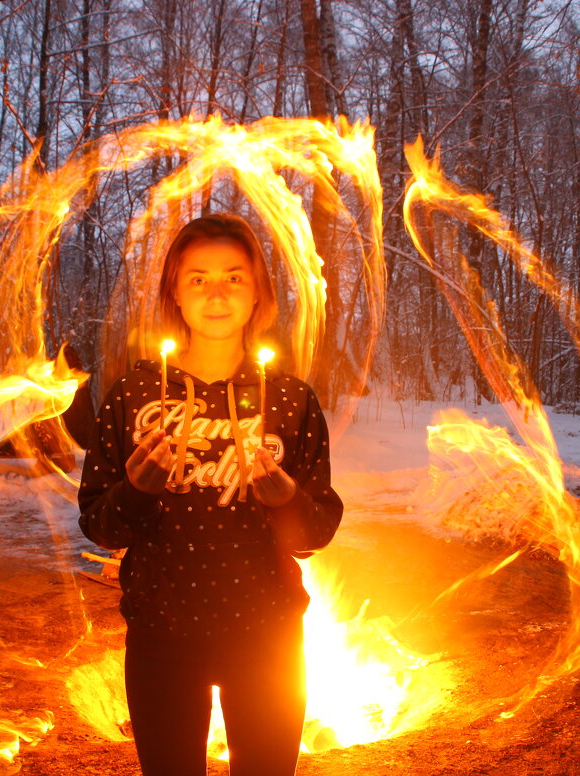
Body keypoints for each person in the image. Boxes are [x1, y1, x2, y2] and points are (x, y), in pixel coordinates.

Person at [78, 214, 344, 776]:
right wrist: (138, 490)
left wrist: (284, 497)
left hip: (267, 636)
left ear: (258, 296)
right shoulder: (135, 394)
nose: (216, 293)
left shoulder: (290, 400)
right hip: (162, 636)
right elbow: (100, 525)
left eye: (234, 277)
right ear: (174, 291)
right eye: (198, 278)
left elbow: (313, 534)